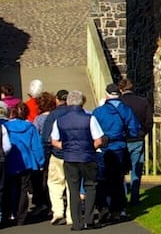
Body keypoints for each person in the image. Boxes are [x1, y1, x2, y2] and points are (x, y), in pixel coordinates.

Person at [53, 93, 104, 231]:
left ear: (68, 103)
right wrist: (89, 148)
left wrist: (68, 148)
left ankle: (76, 222)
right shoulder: (90, 119)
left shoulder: (60, 120)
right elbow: (99, 140)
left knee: (73, 190)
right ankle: (89, 219)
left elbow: (54, 141)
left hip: (70, 158)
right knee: (90, 186)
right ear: (82, 103)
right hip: (87, 157)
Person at [93, 85, 141, 223]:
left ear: (107, 95)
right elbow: (134, 129)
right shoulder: (126, 110)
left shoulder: (99, 111)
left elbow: (93, 130)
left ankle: (103, 206)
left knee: (102, 179)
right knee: (118, 179)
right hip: (119, 147)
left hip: (103, 148)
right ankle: (118, 209)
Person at [3, 102, 46, 227]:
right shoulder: (30, 127)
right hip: (26, 161)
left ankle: (11, 213)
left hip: (10, 160)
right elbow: (36, 147)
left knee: (10, 188)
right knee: (23, 189)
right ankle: (21, 217)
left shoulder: (6, 127)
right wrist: (40, 162)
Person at [35, 90, 74, 226]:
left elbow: (46, 138)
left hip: (56, 153)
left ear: (57, 100)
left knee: (55, 183)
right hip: (73, 154)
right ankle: (71, 214)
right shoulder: (75, 113)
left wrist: (46, 155)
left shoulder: (53, 115)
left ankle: (57, 211)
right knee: (71, 185)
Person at [115, 78, 153, 204]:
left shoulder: (118, 103)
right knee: (136, 169)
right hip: (137, 139)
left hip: (121, 139)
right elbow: (149, 122)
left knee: (120, 170)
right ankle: (135, 197)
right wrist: (142, 133)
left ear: (120, 89)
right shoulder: (143, 102)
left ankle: (123, 196)